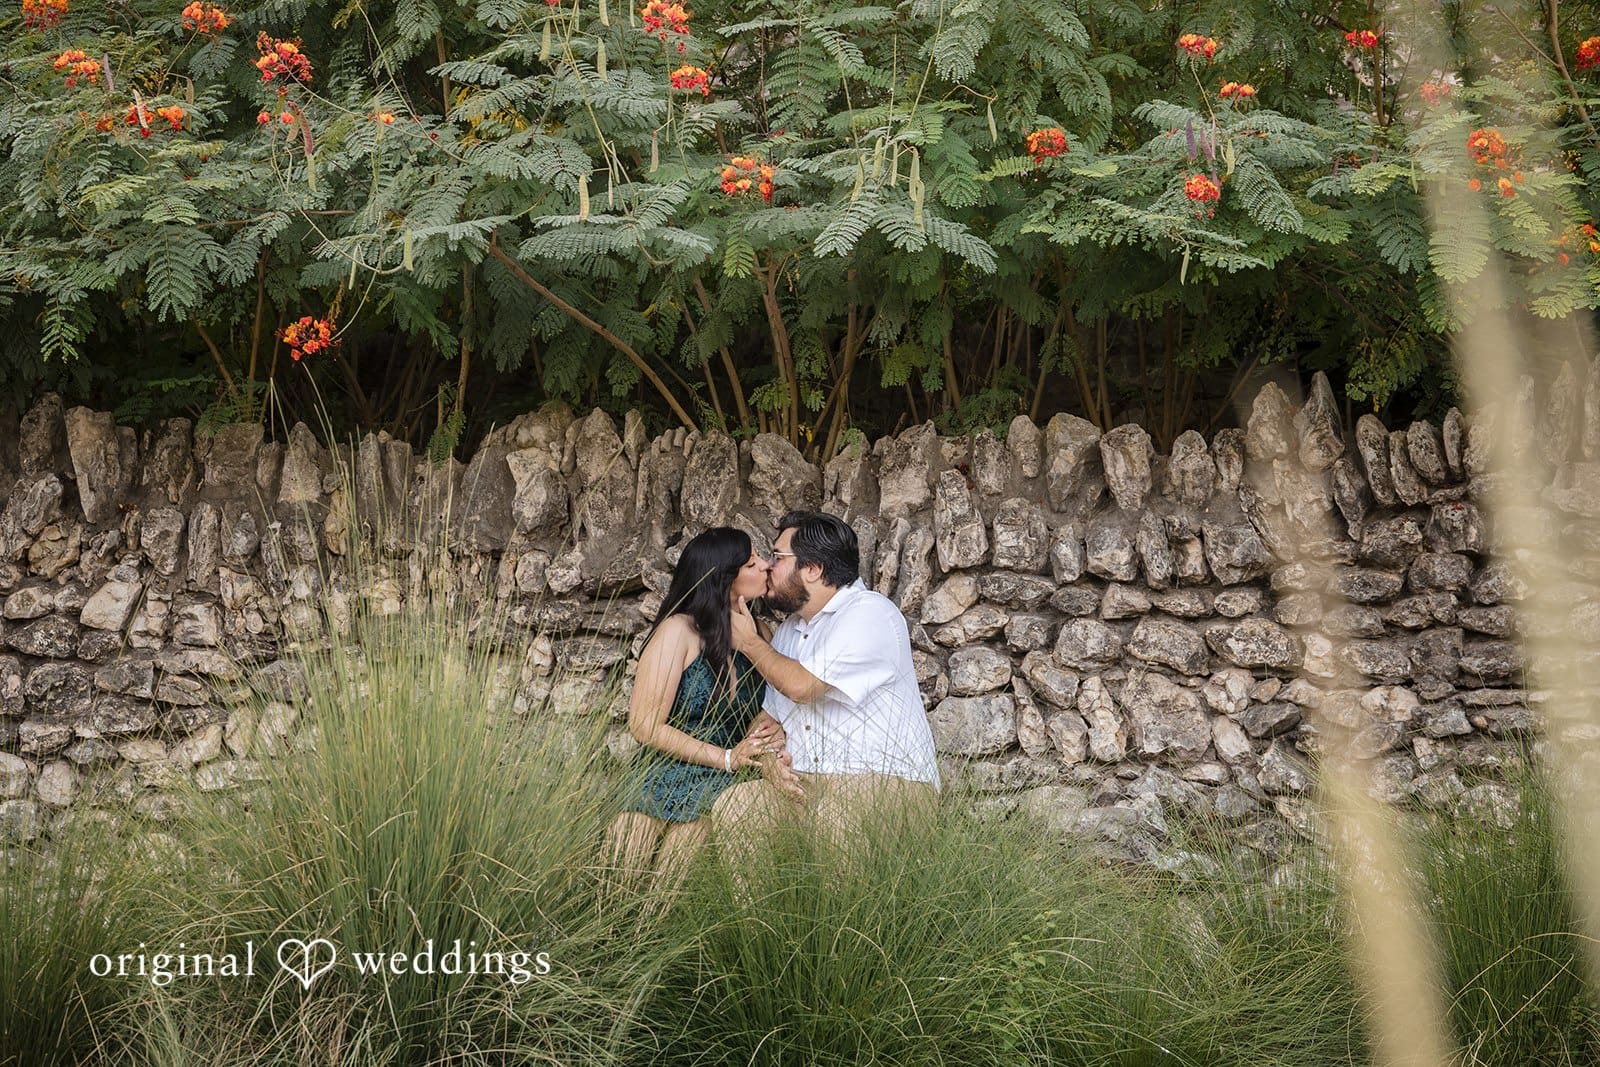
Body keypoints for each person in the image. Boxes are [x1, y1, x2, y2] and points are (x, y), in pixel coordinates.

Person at [714, 511, 940, 855]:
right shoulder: (791, 628)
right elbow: (767, 719)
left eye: (778, 557)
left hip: (889, 785)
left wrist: (748, 642)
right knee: (736, 806)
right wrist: (772, 760)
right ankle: (757, 912)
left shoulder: (869, 613)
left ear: (813, 568)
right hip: (808, 786)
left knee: (834, 818)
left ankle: (853, 912)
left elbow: (801, 687)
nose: (769, 567)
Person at [601, 527, 785, 907]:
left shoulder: (761, 635)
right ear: (724, 578)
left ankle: (651, 952)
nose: (767, 565)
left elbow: (764, 712)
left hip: (723, 782)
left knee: (672, 880)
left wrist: (757, 748)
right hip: (665, 769)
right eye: (752, 562)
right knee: (620, 875)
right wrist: (726, 757)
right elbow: (644, 725)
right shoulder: (678, 631)